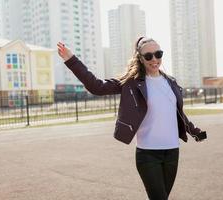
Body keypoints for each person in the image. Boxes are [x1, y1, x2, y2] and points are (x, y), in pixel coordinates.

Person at [57, 37, 206, 200]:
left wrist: (194, 131)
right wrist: (71, 60)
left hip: (172, 151)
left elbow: (176, 112)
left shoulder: (170, 82)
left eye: (158, 54)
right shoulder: (131, 83)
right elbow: (96, 87)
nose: (154, 59)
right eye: (148, 56)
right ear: (140, 59)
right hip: (148, 154)